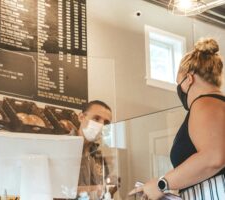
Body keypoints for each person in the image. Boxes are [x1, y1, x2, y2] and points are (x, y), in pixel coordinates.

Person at [129, 38, 225, 200]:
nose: (178, 89)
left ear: (189, 79)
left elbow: (214, 158)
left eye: (178, 82)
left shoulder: (204, 104)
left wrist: (161, 184)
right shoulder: (216, 104)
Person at [73, 100, 118, 199]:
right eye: (96, 118)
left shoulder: (99, 157)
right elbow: (57, 190)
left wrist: (110, 188)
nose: (101, 125)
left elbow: (104, 193)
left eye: (106, 123)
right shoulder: (62, 146)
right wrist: (95, 189)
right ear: (81, 117)